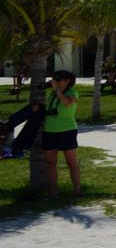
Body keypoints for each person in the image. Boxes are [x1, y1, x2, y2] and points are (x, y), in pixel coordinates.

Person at [42, 70, 81, 198]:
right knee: (50, 163)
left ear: (67, 81)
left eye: (59, 80)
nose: (56, 82)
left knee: (71, 162)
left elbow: (68, 102)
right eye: (55, 79)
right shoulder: (53, 94)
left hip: (67, 130)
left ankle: (77, 191)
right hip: (50, 130)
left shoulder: (72, 92)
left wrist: (57, 91)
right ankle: (53, 192)